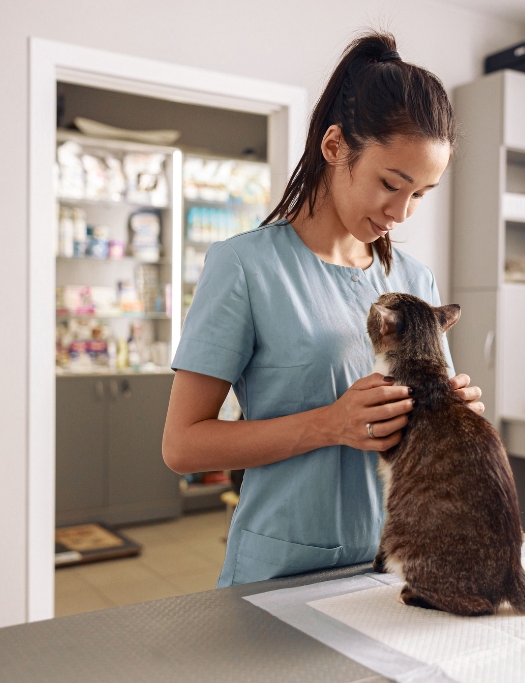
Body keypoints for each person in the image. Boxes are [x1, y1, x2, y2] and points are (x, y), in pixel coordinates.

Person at [162, 31, 483, 587]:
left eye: (421, 194)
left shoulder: (414, 282)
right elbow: (183, 445)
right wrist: (330, 425)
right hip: (282, 570)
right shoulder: (245, 267)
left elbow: (416, 436)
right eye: (391, 183)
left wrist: (452, 416)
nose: (402, 212)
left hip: (397, 570)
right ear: (335, 147)